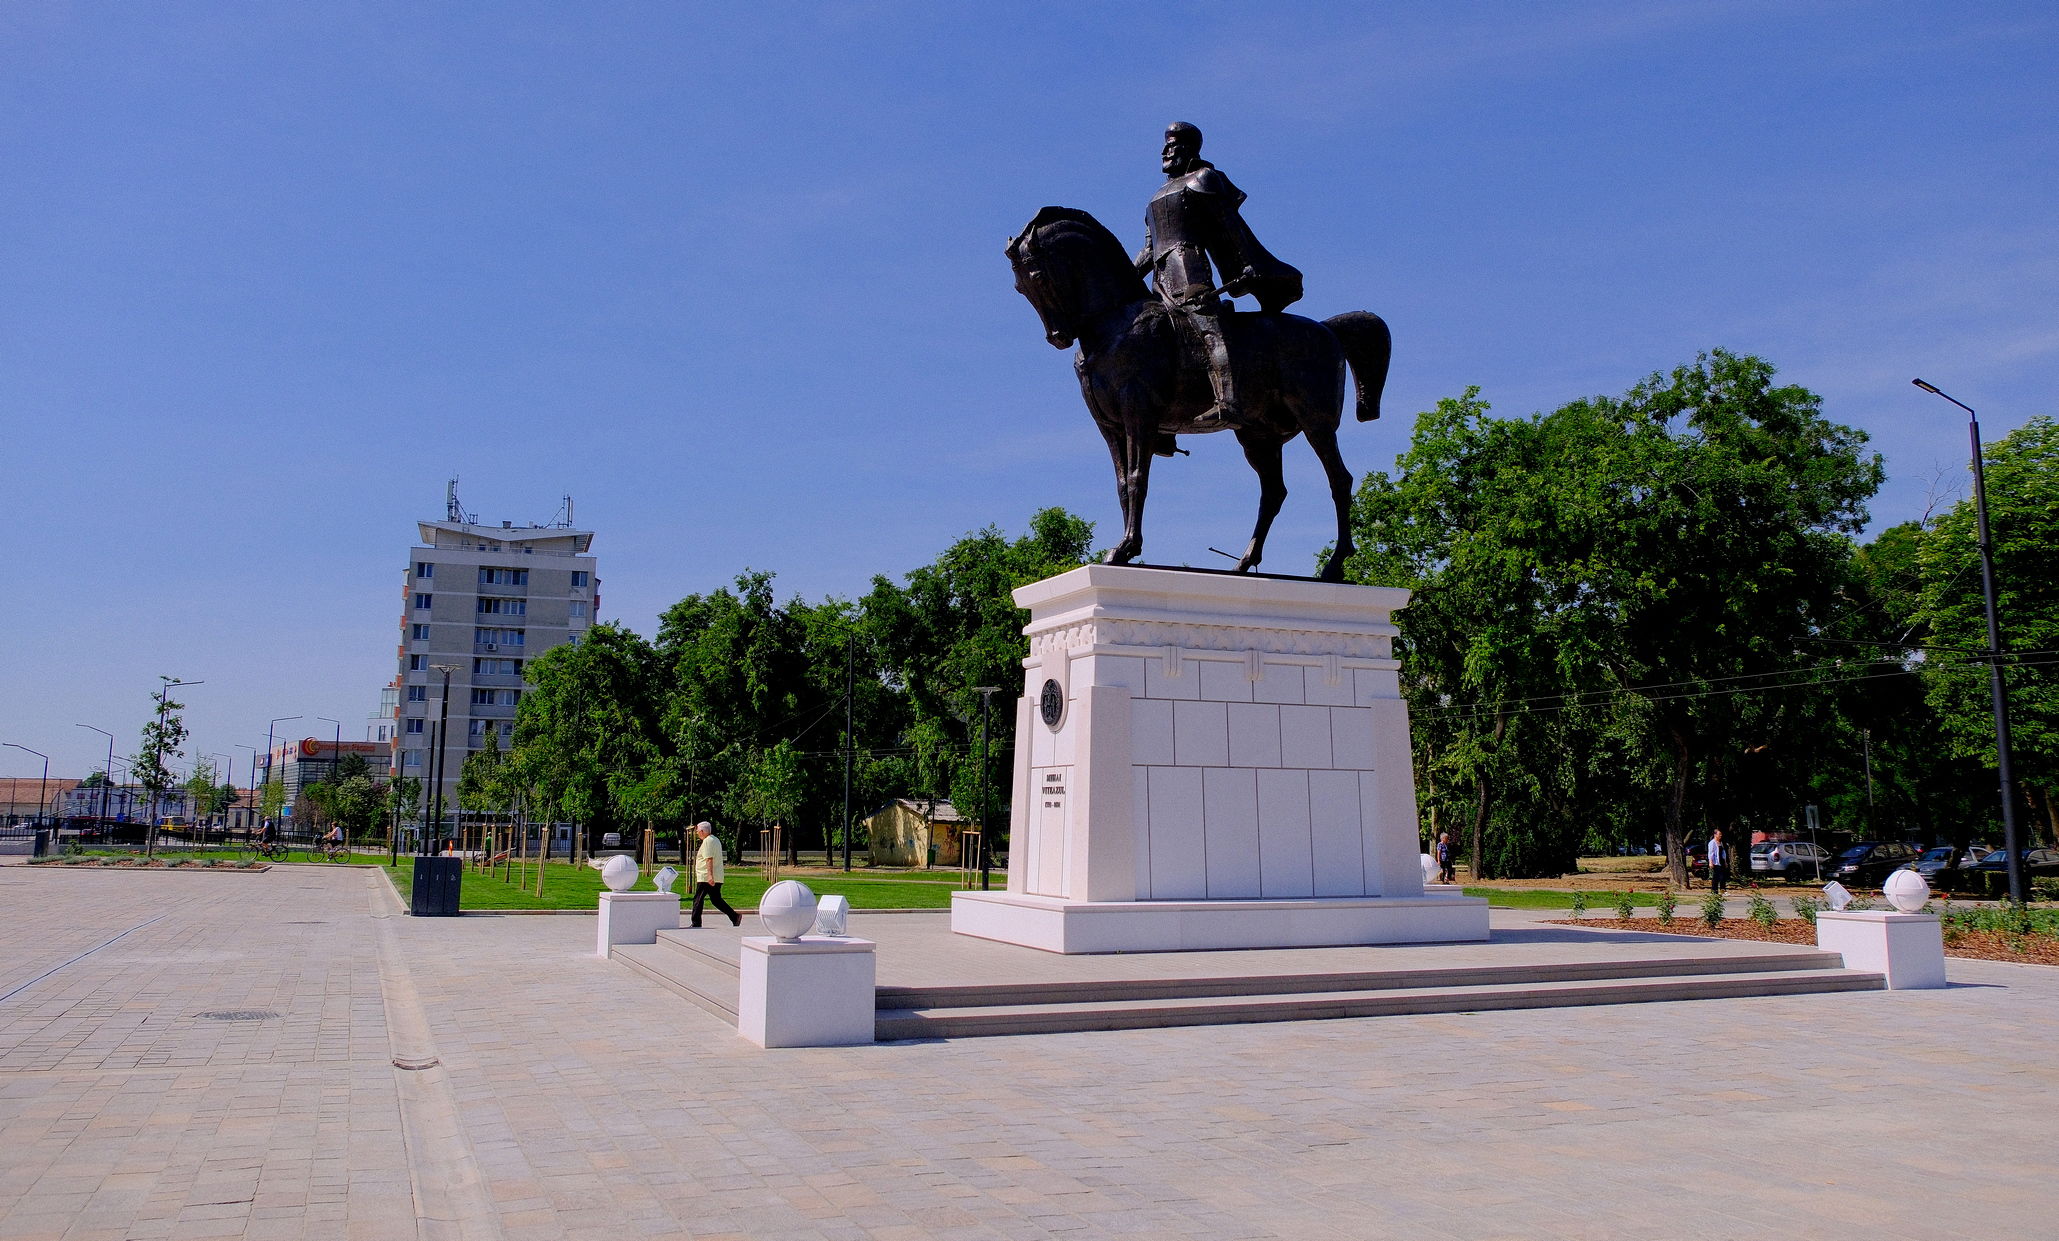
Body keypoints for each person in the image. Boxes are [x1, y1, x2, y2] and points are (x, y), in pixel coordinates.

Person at [1134, 121, 1304, 436]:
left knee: (1206, 325)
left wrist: (1248, 263)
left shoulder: (1204, 179)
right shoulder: (1156, 196)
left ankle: (1228, 398)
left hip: (1188, 267)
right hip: (1160, 277)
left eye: (1171, 145)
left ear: (1188, 147)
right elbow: (1148, 249)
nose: (1164, 151)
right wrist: (1126, 278)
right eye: (1164, 145)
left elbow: (1231, 225)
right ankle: (1160, 425)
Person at [690, 821, 742, 928]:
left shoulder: (708, 842)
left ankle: (696, 923)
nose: (697, 833)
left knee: (698, 899)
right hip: (717, 876)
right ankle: (734, 916)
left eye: (698, 831)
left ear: (702, 831)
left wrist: (709, 876)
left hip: (706, 877)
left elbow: (709, 859)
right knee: (716, 900)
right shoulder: (715, 840)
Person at [1707, 828, 1729, 897]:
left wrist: (1725, 862)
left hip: (1721, 861)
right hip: (1715, 862)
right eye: (1719, 834)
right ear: (1715, 835)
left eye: (1721, 834)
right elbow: (1710, 853)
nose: (1721, 835)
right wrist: (1710, 862)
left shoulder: (1721, 842)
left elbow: (1723, 852)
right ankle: (1714, 891)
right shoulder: (1712, 843)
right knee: (1716, 877)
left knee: (1723, 876)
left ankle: (1723, 890)